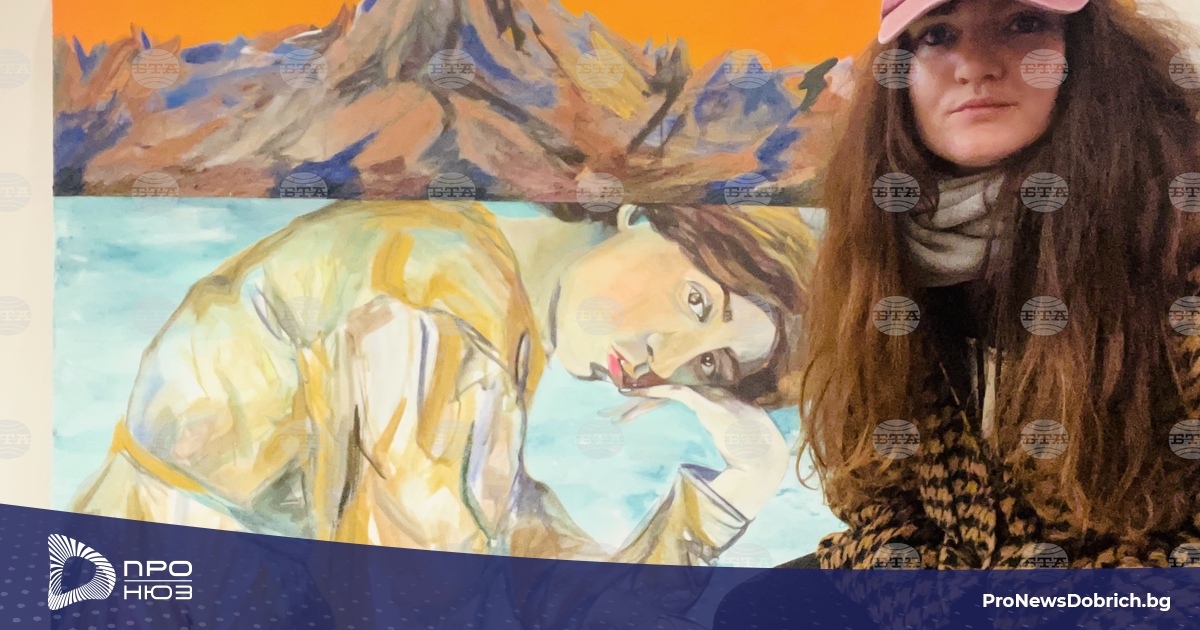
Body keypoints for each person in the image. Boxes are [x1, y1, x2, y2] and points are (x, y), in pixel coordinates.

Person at [69, 200, 816, 567]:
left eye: (711, 367)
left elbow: (551, 587)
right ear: (647, 214)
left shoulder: (487, 298)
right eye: (697, 303)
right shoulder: (436, 301)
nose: (667, 359)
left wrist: (736, 488)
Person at [792, 0, 1200, 571]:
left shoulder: (1178, 236)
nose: (974, 66)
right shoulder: (878, 242)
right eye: (938, 34)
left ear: (1086, 52)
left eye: (1023, 23)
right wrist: (929, 593)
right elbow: (879, 500)